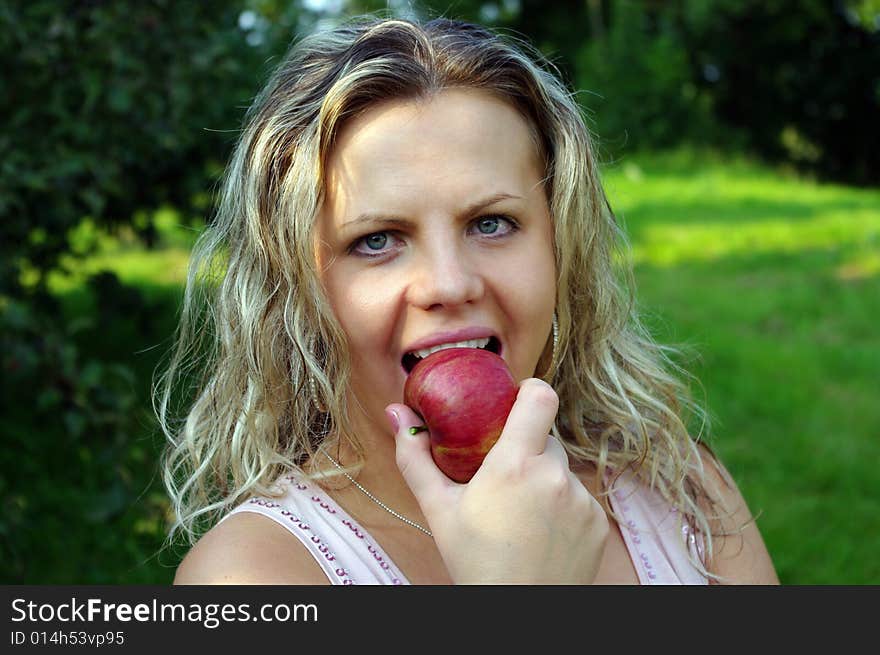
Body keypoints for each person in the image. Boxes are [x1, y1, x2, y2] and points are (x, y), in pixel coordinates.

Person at [157, 15, 779, 585]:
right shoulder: (252, 576)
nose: (450, 284)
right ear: (295, 285)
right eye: (377, 240)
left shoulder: (681, 494)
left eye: (491, 223)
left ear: (562, 248)